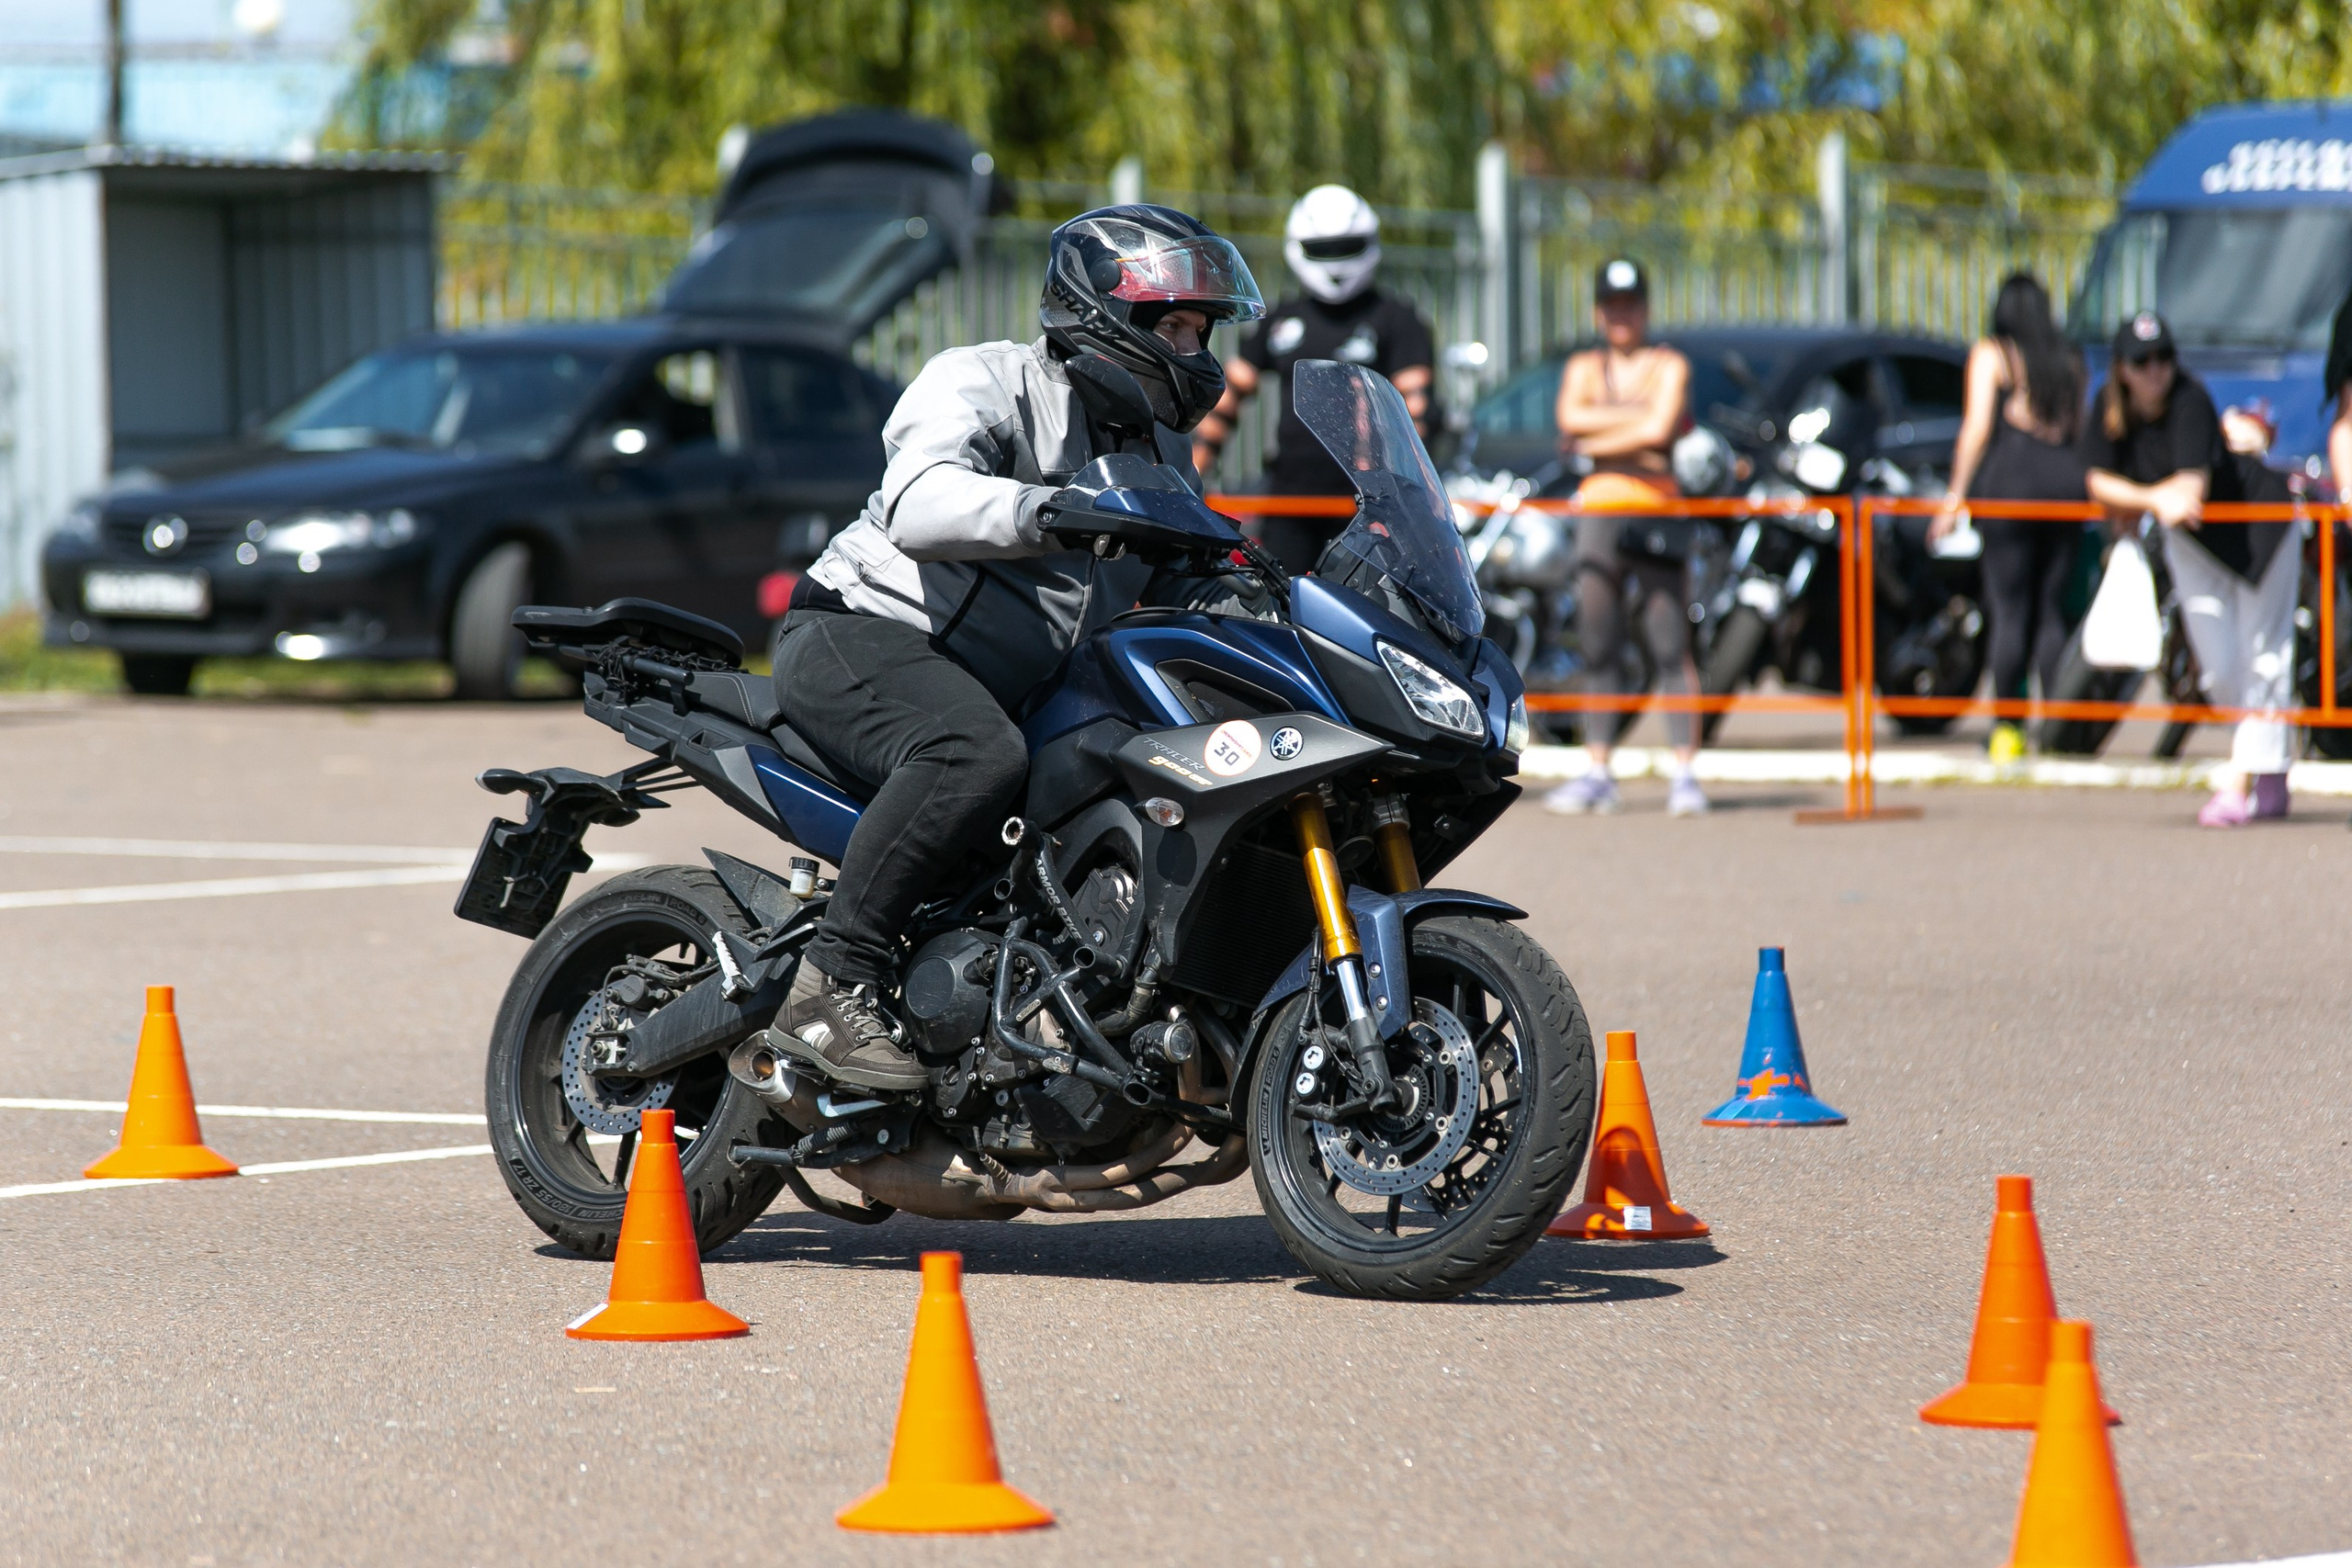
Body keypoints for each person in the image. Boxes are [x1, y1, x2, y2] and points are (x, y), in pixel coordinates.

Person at [768, 205, 1265, 1088]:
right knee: (974, 755)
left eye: (1200, 332)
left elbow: (1182, 571)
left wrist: (1257, 585)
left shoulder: (1156, 451)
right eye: (1178, 328)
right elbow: (921, 500)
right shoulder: (986, 382)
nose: (1196, 354)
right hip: (861, 631)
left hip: (1005, 680)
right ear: (1109, 317)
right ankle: (828, 985)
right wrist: (1046, 508)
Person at [2082, 310, 2296, 828]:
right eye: (2142, 361)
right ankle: (2272, 763)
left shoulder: (2190, 399)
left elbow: (2189, 494)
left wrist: (2141, 499)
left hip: (2259, 529)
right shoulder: (2108, 410)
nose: (2156, 371)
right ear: (2122, 369)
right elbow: (2096, 483)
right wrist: (2152, 497)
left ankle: (2242, 784)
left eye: (2164, 358)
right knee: (2220, 668)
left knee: (2264, 654)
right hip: (2194, 546)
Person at [1191, 184, 1435, 574]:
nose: (1335, 262)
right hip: (1290, 500)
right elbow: (1225, 400)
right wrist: (1192, 477)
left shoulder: (1396, 319)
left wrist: (1402, 498)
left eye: (1345, 247)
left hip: (1367, 504)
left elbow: (1416, 416)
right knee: (1286, 607)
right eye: (1323, 249)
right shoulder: (1284, 319)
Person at [1542, 257, 1706, 818]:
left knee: (1668, 642)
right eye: (1612, 305)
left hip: (1658, 510)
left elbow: (1661, 428)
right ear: (1598, 310)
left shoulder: (1670, 363)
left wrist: (1599, 432)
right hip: (1601, 511)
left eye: (1630, 303)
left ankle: (1685, 772)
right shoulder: (1585, 365)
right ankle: (1597, 769)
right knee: (1598, 641)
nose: (1622, 315)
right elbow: (1568, 418)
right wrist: (1632, 430)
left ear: (1645, 307)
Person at [1931, 273, 2088, 763]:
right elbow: (2078, 428)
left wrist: (1955, 495)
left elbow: (1976, 429)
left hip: (2009, 493)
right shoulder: (2068, 359)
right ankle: (2060, 727)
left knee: (2010, 610)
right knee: (2051, 611)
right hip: (2065, 491)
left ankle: (2008, 728)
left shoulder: (1993, 355)